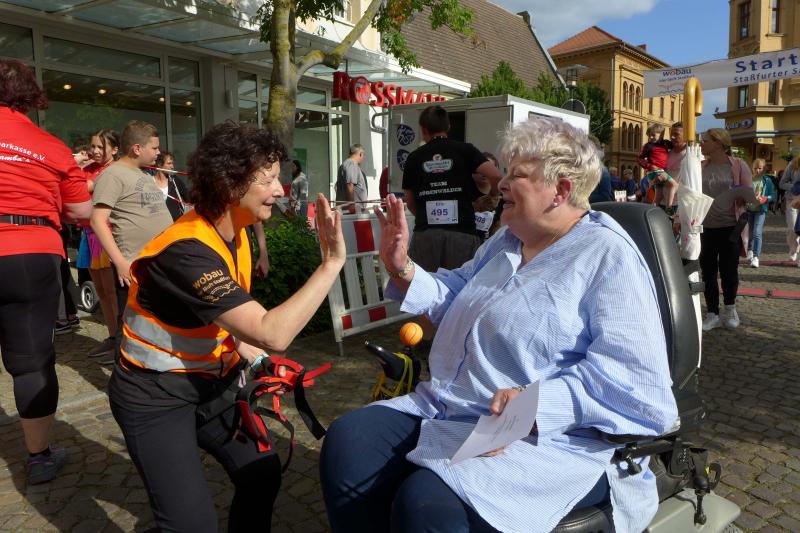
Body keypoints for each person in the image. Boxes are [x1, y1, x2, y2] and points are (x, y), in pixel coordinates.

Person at [320, 117, 678, 533]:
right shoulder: (506, 241)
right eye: (505, 172)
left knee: (426, 503)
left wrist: (534, 404)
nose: (501, 183)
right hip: (454, 405)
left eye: (517, 175)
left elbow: (637, 384)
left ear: (561, 189)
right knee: (349, 442)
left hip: (550, 438)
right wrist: (402, 268)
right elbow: (458, 291)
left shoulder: (607, 256)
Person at [108, 121, 345, 532]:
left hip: (209, 384)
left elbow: (224, 320)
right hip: (152, 395)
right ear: (230, 184)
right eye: (268, 180)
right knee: (191, 525)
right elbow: (272, 332)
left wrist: (252, 356)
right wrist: (331, 264)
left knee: (262, 473)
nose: (279, 190)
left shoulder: (234, 233)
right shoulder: (186, 251)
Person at [0, 59, 92, 484]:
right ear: (29, 95)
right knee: (31, 359)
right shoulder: (50, 146)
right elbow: (80, 211)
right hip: (30, 251)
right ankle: (38, 457)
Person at [90, 120, 174, 359]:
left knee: (154, 325)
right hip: (134, 265)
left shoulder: (144, 174)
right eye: (154, 148)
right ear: (137, 148)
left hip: (159, 263)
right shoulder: (113, 174)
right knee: (131, 326)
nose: (158, 153)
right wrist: (120, 262)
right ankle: (124, 374)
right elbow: (97, 221)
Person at [402, 105, 502, 273]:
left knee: (424, 285)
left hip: (426, 236)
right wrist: (492, 198)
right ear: (448, 126)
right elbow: (496, 176)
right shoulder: (465, 150)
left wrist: (428, 218)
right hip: (462, 235)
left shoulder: (413, 158)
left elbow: (411, 203)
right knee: (461, 286)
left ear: (424, 130)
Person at [698, 128, 754, 331]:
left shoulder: (738, 165)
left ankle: (730, 309)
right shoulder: (700, 166)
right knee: (708, 271)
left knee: (729, 270)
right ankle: (712, 313)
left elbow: (749, 194)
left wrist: (742, 196)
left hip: (731, 226)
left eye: (705, 140)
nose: (701, 144)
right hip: (706, 226)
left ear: (718, 144)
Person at [82, 129, 121, 359]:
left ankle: (119, 342)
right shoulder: (88, 169)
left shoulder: (113, 170)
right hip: (88, 234)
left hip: (107, 235)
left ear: (114, 150)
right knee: (102, 293)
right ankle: (112, 336)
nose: (95, 151)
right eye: (93, 146)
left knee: (112, 292)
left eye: (101, 147)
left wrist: (76, 167)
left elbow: (82, 187)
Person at [639, 124, 678, 216]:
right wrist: (649, 166)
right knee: (674, 185)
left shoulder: (665, 143)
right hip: (656, 172)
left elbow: (675, 146)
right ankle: (669, 207)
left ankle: (651, 214)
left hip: (658, 171)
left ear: (662, 134)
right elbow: (640, 158)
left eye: (653, 135)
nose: (650, 137)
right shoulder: (648, 146)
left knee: (658, 197)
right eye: (649, 135)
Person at [746, 158, 775, 268]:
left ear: (763, 168)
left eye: (760, 168)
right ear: (752, 168)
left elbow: (773, 196)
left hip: (760, 210)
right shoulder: (748, 179)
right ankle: (750, 249)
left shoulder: (767, 180)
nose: (757, 170)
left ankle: (756, 257)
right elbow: (743, 192)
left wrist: (764, 198)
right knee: (750, 232)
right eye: (755, 168)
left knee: (757, 232)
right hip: (749, 210)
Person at [152, 150, 190, 222]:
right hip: (157, 224)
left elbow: (189, 198)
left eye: (172, 163)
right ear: (159, 164)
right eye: (169, 163)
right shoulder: (150, 181)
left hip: (175, 224)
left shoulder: (174, 180)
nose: (172, 167)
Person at [335, 144, 368, 213]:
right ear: (360, 154)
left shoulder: (346, 164)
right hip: (352, 210)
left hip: (349, 209)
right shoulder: (351, 164)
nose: (363, 158)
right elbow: (350, 184)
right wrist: (352, 205)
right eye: (363, 155)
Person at [779, 156, 800, 262]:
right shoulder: (793, 164)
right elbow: (782, 183)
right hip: (792, 200)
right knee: (792, 228)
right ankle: (793, 249)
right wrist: (795, 187)